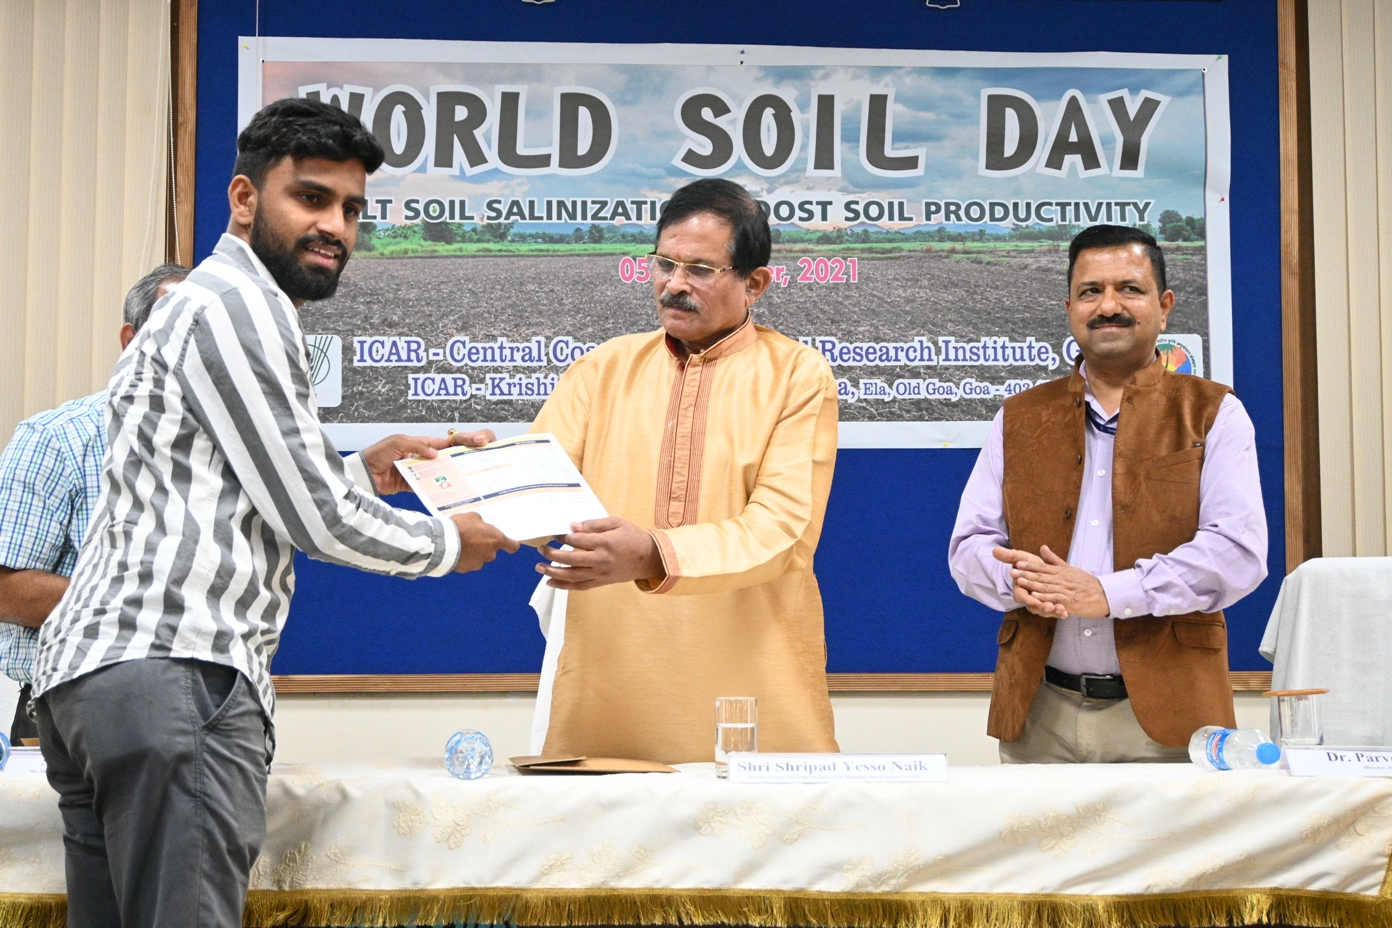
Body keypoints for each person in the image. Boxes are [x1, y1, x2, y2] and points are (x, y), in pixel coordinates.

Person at [31, 97, 518, 928]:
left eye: (352, 209)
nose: (335, 227)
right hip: (176, 674)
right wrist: (449, 541)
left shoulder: (208, 304)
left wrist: (364, 469)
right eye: (312, 198)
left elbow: (225, 488)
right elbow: (315, 520)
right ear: (244, 198)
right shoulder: (240, 306)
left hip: (101, 684)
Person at [508, 177, 839, 764]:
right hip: (612, 676)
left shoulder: (797, 375)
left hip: (751, 680)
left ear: (755, 283)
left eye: (701, 270)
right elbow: (534, 499)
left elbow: (783, 532)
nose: (674, 284)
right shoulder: (603, 369)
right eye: (664, 264)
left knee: (758, 822)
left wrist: (652, 554)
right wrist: (479, 472)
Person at [948, 224, 1267, 764]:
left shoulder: (1213, 412)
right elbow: (968, 546)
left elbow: (1237, 552)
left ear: (1163, 307)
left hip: (1168, 717)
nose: (1108, 306)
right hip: (1039, 713)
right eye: (1091, 291)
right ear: (1070, 308)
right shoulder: (1019, 417)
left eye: (1130, 289)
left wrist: (1109, 592)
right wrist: (1021, 581)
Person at [0, 264, 189, 746]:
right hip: (73, 708)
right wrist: (141, 604)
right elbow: (5, 591)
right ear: (131, 340)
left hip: (199, 707)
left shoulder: (234, 449)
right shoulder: (56, 440)